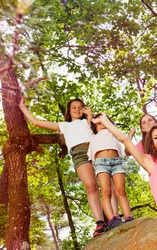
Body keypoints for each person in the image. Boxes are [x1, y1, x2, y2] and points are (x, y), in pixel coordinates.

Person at [19, 97, 107, 237]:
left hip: (97, 150)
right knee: (91, 186)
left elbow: (104, 128)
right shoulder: (65, 125)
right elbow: (36, 123)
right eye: (74, 107)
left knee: (107, 186)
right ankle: (100, 222)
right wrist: (23, 108)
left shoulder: (88, 121)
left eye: (80, 107)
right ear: (69, 111)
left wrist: (90, 116)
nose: (77, 109)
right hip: (79, 154)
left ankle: (113, 217)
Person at [88, 113, 134, 229]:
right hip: (101, 164)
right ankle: (112, 220)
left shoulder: (114, 133)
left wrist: (130, 136)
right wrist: (90, 115)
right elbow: (89, 123)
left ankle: (129, 217)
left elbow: (125, 142)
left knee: (121, 191)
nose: (102, 125)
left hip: (117, 162)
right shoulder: (93, 135)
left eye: (104, 122)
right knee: (106, 192)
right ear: (94, 126)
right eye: (99, 124)